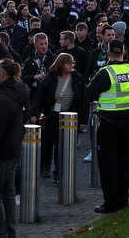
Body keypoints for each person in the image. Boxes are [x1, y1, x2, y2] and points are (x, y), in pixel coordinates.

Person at [85, 39, 129, 213]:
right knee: (125, 162)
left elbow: (89, 94)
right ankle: (123, 198)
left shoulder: (105, 73)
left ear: (108, 54)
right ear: (124, 53)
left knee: (108, 163)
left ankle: (111, 202)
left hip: (109, 123)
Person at [30, 52, 87, 181]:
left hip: (70, 117)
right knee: (51, 144)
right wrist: (34, 114)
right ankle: (48, 167)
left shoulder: (77, 78)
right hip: (53, 117)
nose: (72, 65)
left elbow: (83, 99)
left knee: (63, 148)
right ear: (61, 64)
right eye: (68, 63)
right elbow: (39, 96)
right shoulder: (50, 78)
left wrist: (83, 121)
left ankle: (59, 174)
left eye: (72, 62)